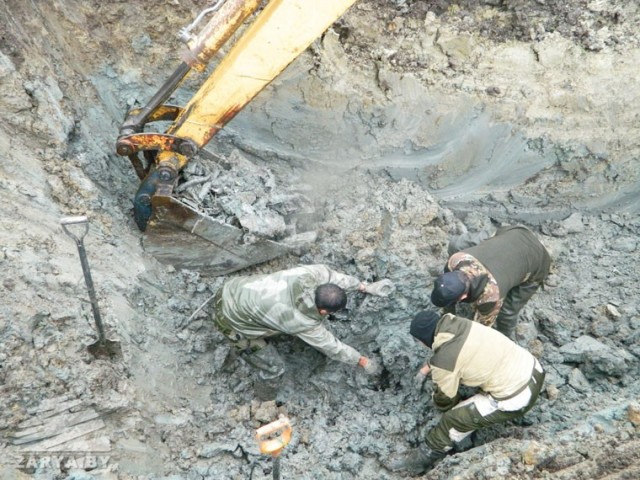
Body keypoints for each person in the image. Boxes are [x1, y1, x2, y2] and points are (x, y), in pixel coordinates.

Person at [389, 310, 545, 475]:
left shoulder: (444, 362)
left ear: (425, 338)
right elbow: (455, 350)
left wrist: (438, 395)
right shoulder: (461, 324)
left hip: (517, 396)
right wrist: (429, 366)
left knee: (453, 419)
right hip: (532, 366)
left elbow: (445, 400)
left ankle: (420, 459)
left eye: (419, 340)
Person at [212, 264, 393, 383]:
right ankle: (266, 403)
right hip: (230, 321)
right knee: (275, 369)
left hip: (233, 288)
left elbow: (337, 278)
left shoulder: (310, 274)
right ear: (323, 312)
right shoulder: (301, 321)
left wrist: (364, 286)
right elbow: (332, 348)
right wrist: (362, 361)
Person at [430, 225, 551, 338]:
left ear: (464, 296)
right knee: (455, 244)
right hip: (512, 233)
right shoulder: (456, 259)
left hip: (537, 259)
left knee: (507, 314)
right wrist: (447, 318)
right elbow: (447, 296)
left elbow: (480, 329)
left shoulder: (490, 297)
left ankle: (505, 341)